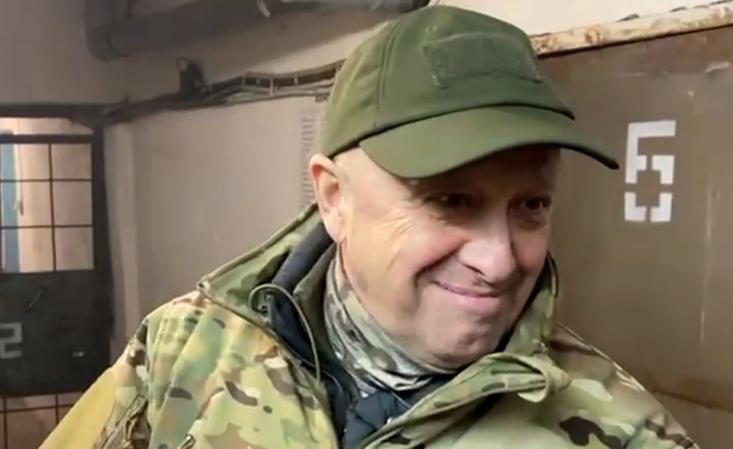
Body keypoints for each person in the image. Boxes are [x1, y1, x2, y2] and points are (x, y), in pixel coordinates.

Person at [42, 5, 697, 449]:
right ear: (334, 198)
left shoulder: (621, 431)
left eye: (531, 205)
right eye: (452, 200)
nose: (498, 261)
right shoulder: (183, 348)